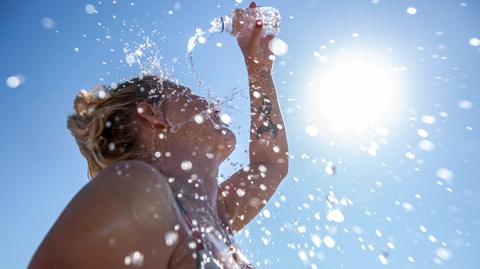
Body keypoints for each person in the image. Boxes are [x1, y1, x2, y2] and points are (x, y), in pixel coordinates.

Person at [28, 2, 288, 268]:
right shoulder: (139, 194)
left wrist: (258, 69)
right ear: (153, 114)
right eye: (187, 93)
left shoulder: (216, 215)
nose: (212, 103)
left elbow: (270, 164)